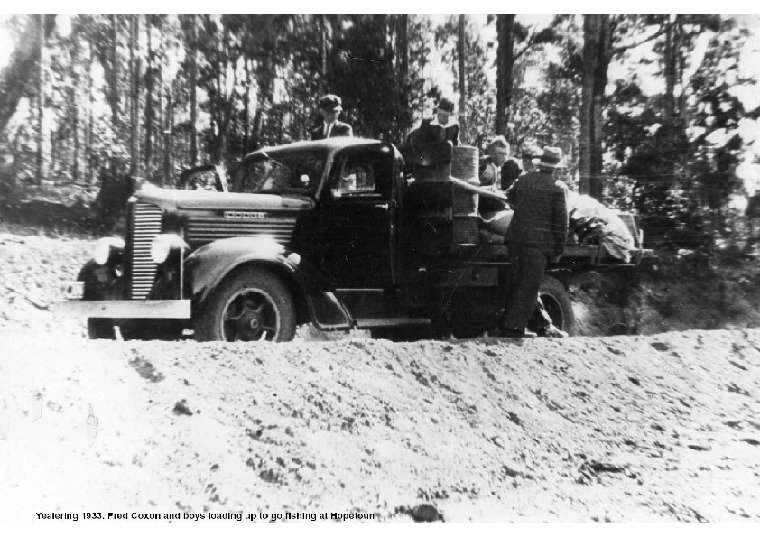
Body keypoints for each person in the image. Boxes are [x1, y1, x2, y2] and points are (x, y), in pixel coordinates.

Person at [502, 146, 570, 338]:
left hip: (514, 240)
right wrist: (558, 250)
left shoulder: (523, 179)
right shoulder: (558, 188)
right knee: (529, 286)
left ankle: (519, 325)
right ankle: (514, 329)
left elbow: (510, 198)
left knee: (517, 282)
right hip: (537, 246)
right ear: (556, 167)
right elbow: (561, 224)